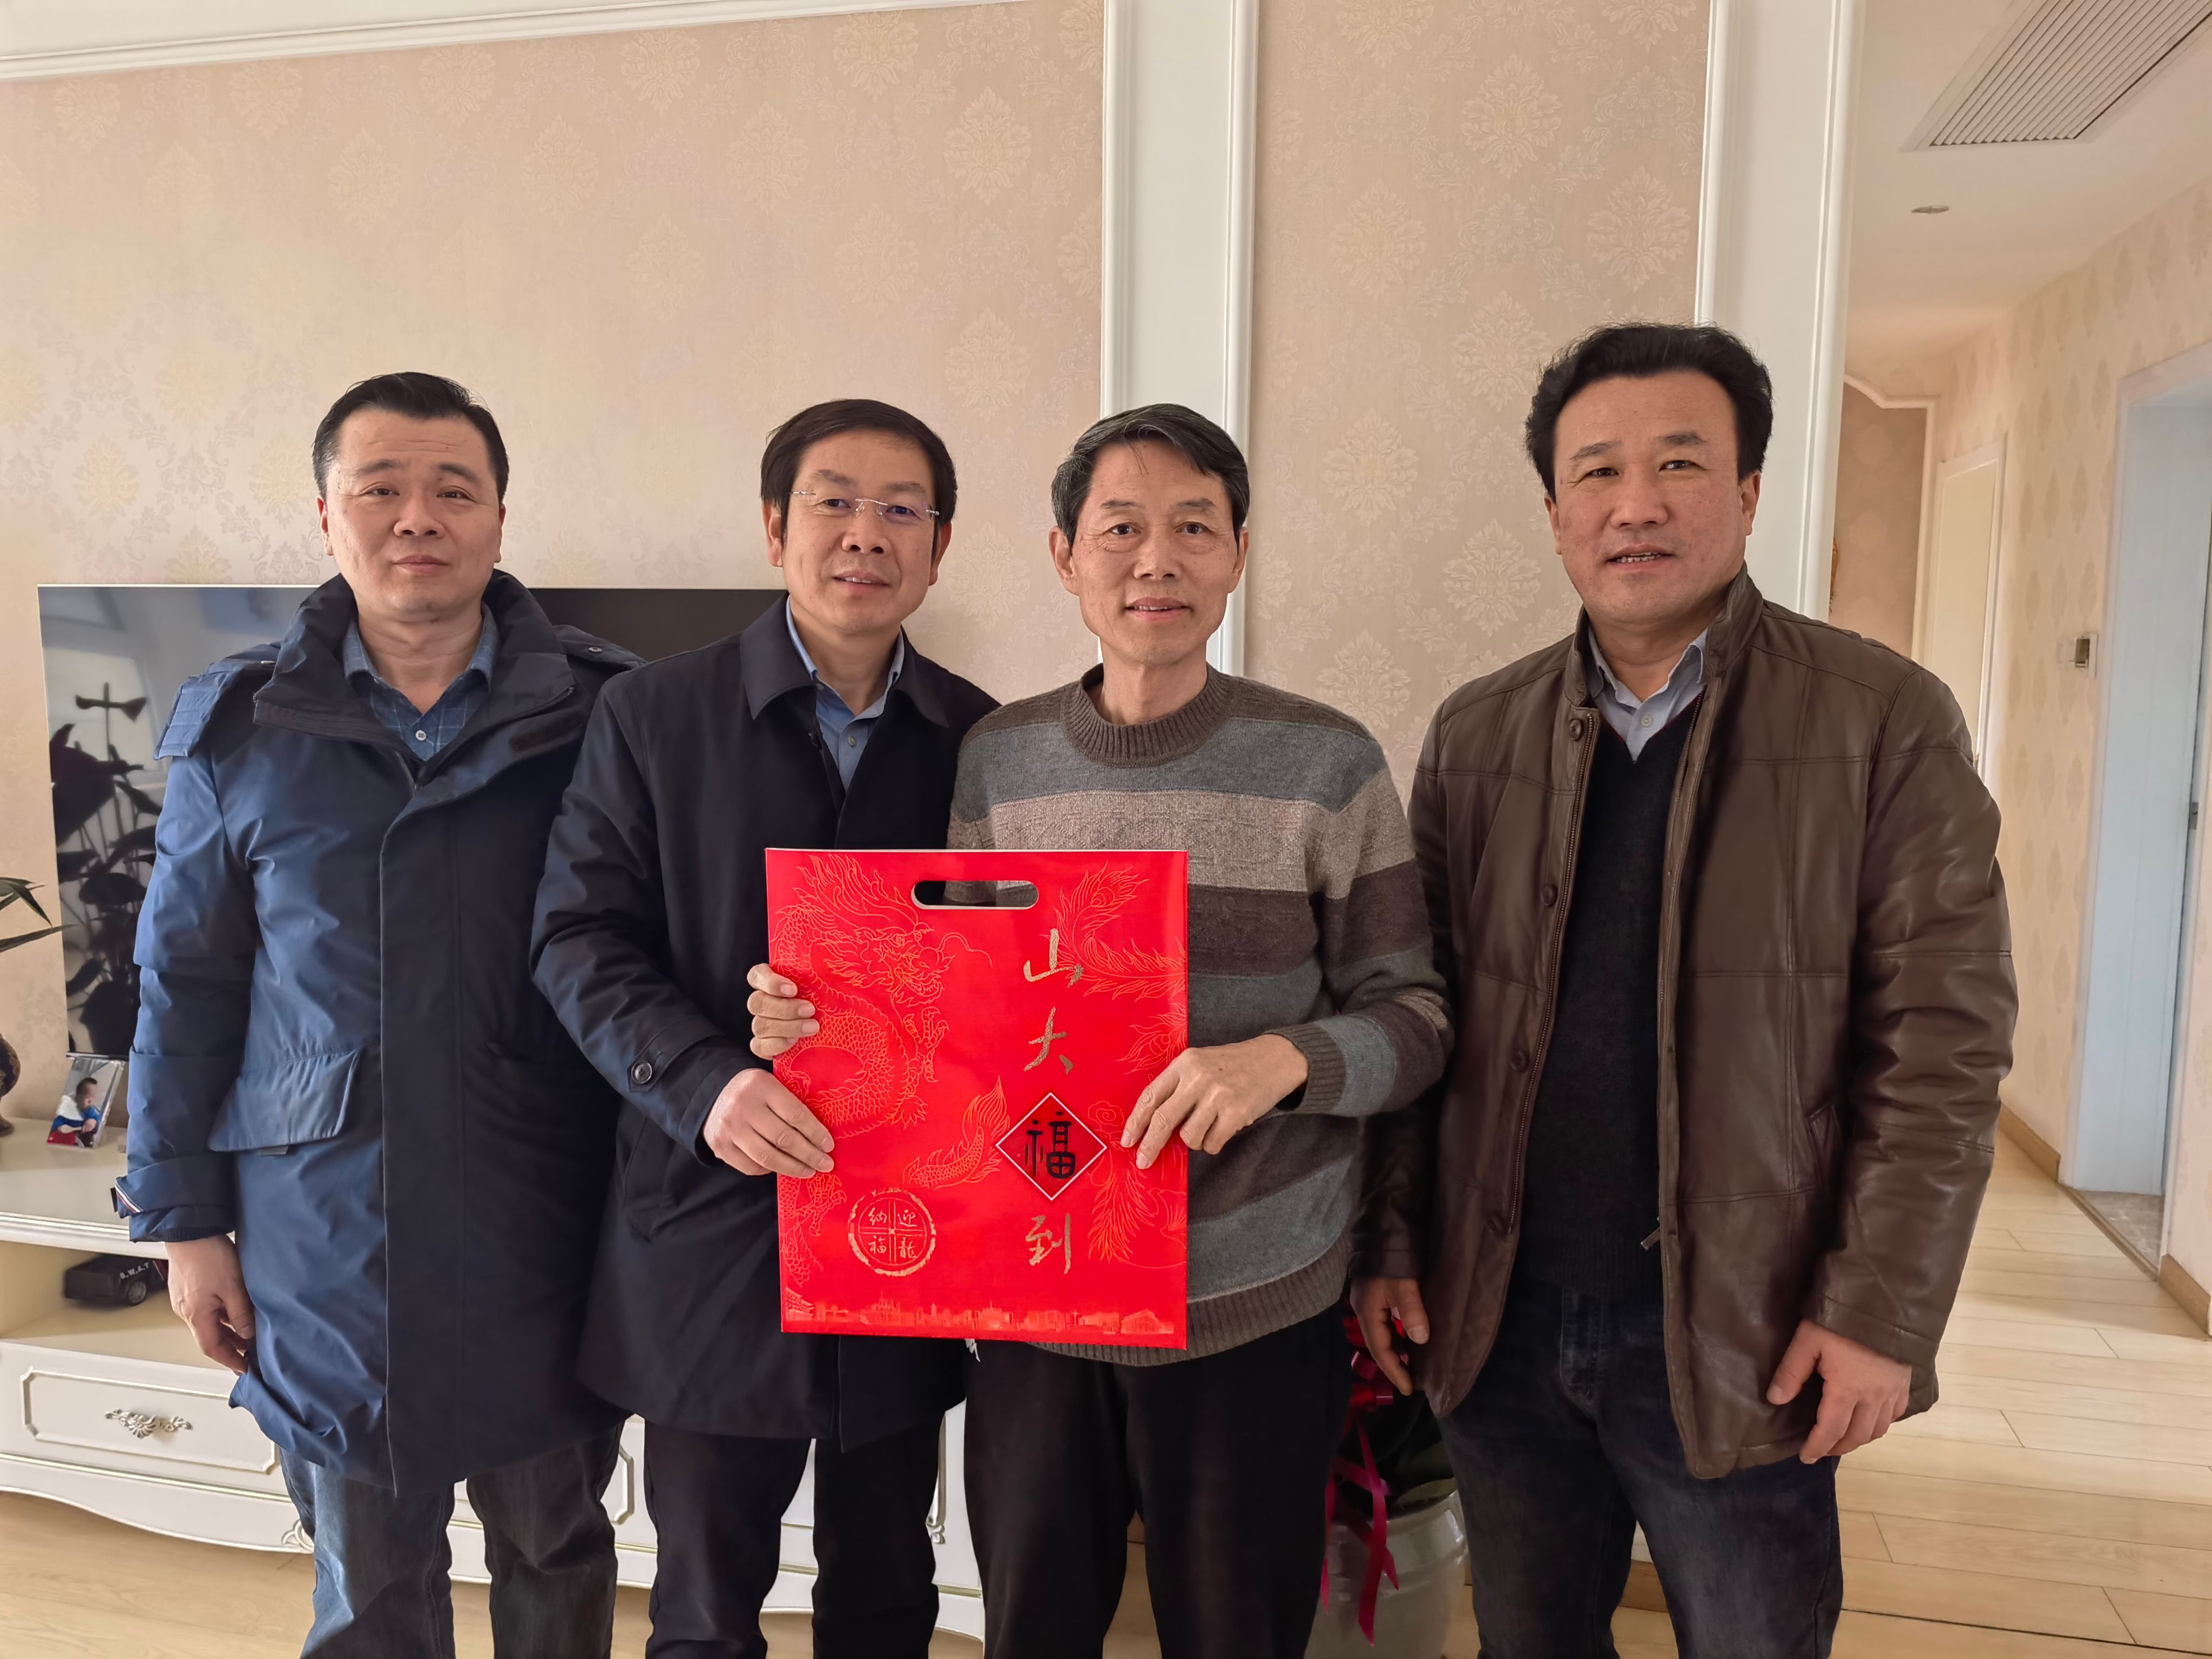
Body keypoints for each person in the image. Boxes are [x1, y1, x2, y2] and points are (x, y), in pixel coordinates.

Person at [1352, 323, 2017, 1656]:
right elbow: (1418, 1011)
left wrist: (1875, 1309)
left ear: (1749, 492)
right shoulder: (1477, 733)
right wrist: (1391, 1239)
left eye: (1678, 463)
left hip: (1742, 1323)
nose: (1635, 504)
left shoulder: (1881, 720)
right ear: (1554, 513)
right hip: (1499, 1314)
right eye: (1595, 472)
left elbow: (1940, 1048)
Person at [750, 404, 1453, 1658]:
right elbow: (959, 1015)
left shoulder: (1325, 762)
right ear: (1065, 557)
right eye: (1119, 529)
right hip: (1035, 1302)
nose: (1154, 561)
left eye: (1193, 528)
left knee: (1236, 1635)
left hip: (1250, 1300)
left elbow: (1416, 1018)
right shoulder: (999, 759)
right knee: (1032, 1627)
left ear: (1237, 554)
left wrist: (1284, 1060)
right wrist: (816, 1018)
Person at [117, 373, 636, 1657]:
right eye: (381, 489)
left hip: (547, 1210)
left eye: (454, 490)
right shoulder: (240, 729)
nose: (418, 518)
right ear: (325, 514)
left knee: (556, 1549)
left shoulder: (609, 715)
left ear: (499, 517)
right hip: (322, 1234)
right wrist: (184, 1227)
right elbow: (184, 988)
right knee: (367, 1581)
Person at [530, 400, 994, 1659]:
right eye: (834, 503)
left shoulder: (982, 738)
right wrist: (706, 1082)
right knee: (703, 1604)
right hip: (709, 1218)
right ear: (776, 528)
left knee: (887, 1585)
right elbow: (575, 939)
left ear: (940, 545)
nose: (865, 534)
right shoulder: (651, 715)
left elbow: (1004, 973)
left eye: (900, 509)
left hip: (904, 1222)